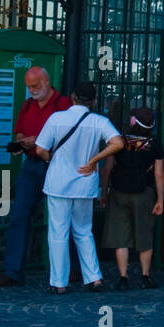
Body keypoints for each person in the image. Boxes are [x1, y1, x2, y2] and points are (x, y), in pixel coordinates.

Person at [34, 82, 125, 293]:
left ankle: (59, 282)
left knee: (58, 232)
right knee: (84, 231)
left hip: (58, 183)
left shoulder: (56, 119)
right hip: (84, 183)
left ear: (73, 96)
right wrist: (95, 159)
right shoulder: (99, 121)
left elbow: (40, 150)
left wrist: (51, 159)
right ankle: (93, 277)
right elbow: (118, 143)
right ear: (93, 100)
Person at [0, 67, 72, 287]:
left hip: (53, 164)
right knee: (18, 215)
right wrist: (23, 141)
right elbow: (18, 131)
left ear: (47, 82)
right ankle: (13, 271)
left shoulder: (62, 105)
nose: (31, 90)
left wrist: (39, 139)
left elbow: (67, 137)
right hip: (31, 163)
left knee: (62, 218)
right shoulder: (28, 105)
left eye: (35, 85)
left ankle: (68, 270)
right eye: (28, 86)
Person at [101, 107, 164, 288]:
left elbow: (107, 169)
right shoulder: (154, 143)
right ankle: (145, 276)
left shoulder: (119, 141)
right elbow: (159, 174)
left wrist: (104, 192)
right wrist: (160, 200)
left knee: (121, 236)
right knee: (144, 235)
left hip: (119, 192)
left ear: (132, 122)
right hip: (144, 192)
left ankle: (123, 277)